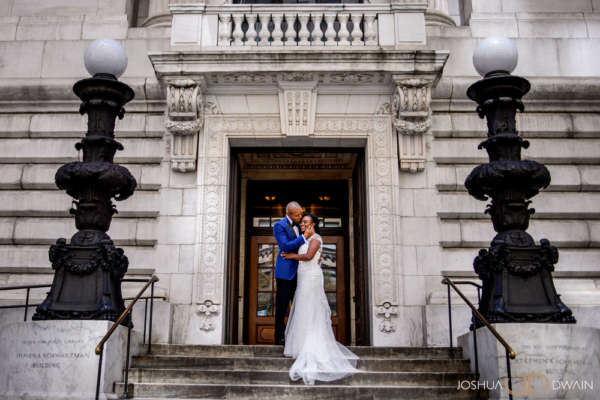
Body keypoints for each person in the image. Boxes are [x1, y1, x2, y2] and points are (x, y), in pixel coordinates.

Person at [281, 214, 359, 385]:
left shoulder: (316, 238)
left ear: (313, 224)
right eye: (302, 222)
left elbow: (309, 256)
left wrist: (291, 256)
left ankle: (312, 345)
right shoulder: (305, 238)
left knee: (311, 308)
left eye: (306, 222)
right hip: (304, 276)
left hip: (311, 278)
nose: (302, 224)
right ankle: (301, 344)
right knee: (303, 309)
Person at [272, 201, 308, 346]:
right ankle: (279, 338)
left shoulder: (302, 224)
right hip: (285, 273)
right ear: (289, 214)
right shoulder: (279, 226)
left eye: (301, 214)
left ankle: (298, 338)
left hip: (302, 271)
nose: (300, 217)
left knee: (300, 306)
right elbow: (285, 246)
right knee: (282, 307)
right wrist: (303, 237)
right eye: (297, 215)